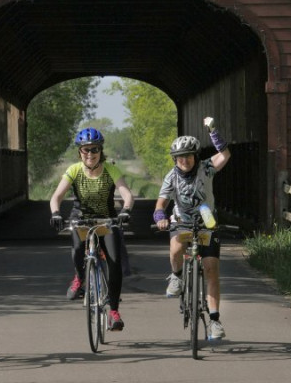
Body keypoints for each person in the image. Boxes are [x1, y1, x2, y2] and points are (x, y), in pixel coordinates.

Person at [153, 116, 231, 340]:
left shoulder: (206, 168)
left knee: (211, 268)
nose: (184, 160)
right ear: (175, 159)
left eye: (188, 156)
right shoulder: (171, 177)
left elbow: (225, 155)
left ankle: (215, 321)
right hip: (182, 221)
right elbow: (162, 202)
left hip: (207, 222)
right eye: (179, 157)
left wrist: (213, 131)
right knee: (176, 247)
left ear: (195, 156)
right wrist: (160, 216)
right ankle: (176, 276)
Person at [49, 127, 134, 331]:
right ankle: (80, 277)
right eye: (85, 150)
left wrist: (125, 210)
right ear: (80, 152)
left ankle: (114, 311)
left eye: (94, 149)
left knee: (114, 262)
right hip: (81, 218)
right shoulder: (74, 170)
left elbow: (127, 195)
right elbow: (56, 197)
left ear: (100, 151)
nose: (90, 154)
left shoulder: (110, 169)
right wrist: (55, 213)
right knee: (78, 248)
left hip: (106, 219)